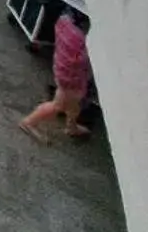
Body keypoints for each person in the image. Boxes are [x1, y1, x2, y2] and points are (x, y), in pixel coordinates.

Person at [20, 11, 93, 141]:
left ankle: (72, 127)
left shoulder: (67, 21)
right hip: (71, 78)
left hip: (65, 70)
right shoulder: (81, 40)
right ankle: (29, 122)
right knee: (58, 105)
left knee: (74, 105)